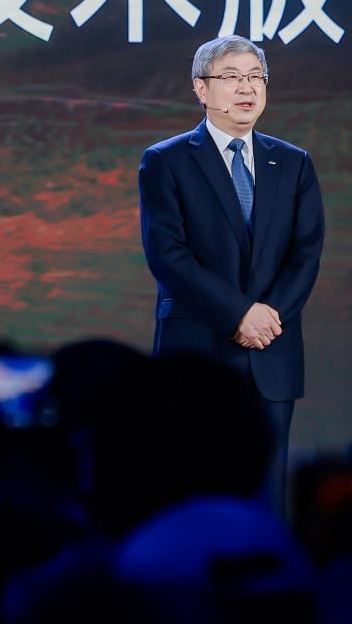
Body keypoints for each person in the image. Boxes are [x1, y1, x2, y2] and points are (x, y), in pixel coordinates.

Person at [138, 35, 325, 514]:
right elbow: (168, 255)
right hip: (196, 350)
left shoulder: (293, 162)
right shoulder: (166, 160)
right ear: (201, 89)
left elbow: (306, 252)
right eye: (232, 77)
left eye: (256, 77)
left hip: (271, 352)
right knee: (187, 487)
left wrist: (268, 317)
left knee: (267, 493)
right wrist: (239, 314)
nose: (247, 88)